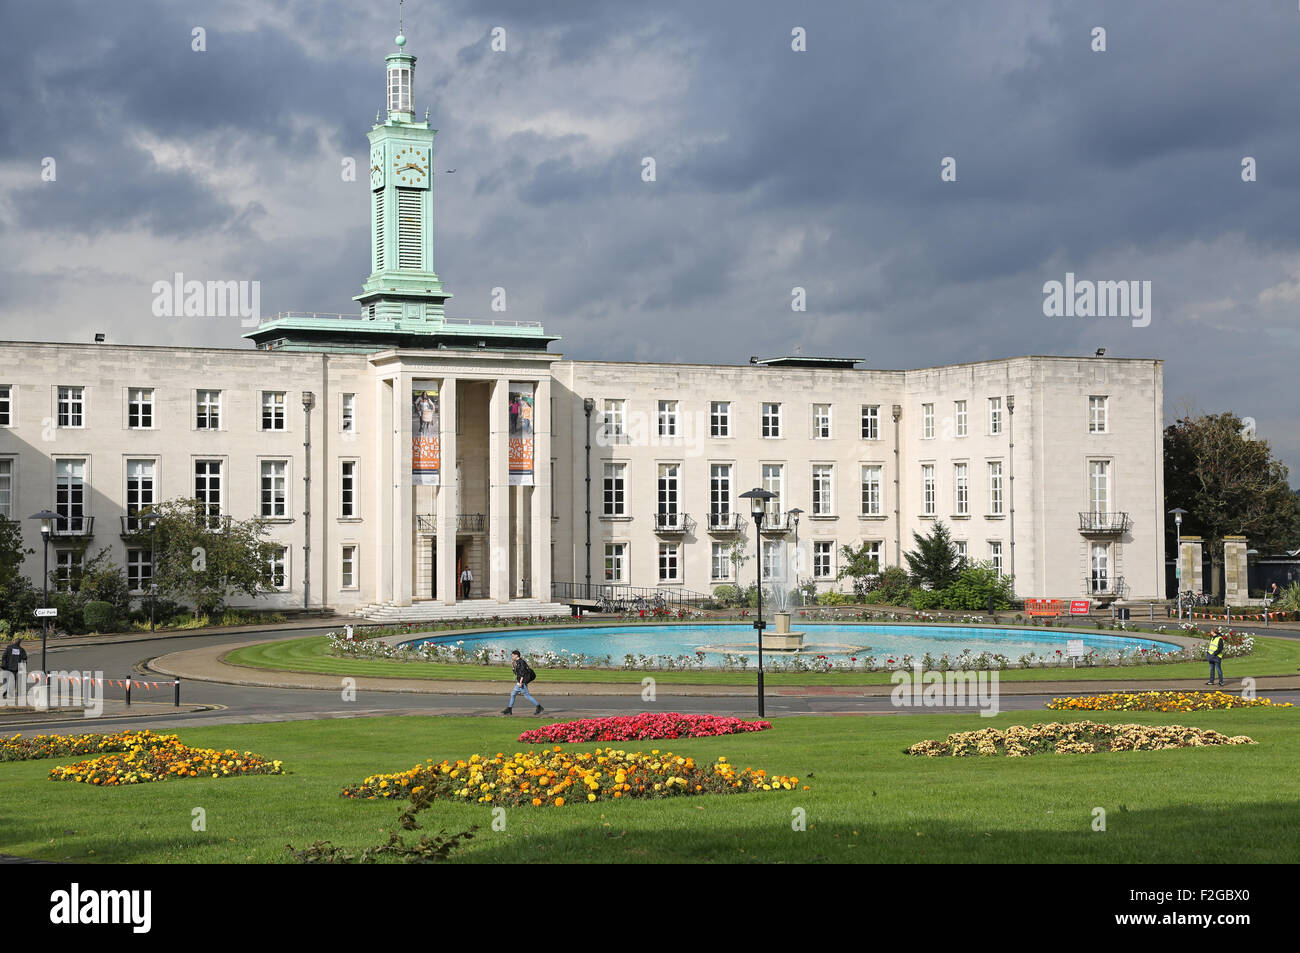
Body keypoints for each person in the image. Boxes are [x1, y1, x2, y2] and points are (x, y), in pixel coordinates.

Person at [501, 649, 542, 716]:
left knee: (527, 696)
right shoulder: (518, 662)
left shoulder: (521, 662)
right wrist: (513, 666)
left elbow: (522, 673)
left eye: (513, 655)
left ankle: (539, 707)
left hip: (522, 682)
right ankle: (509, 709)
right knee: (513, 694)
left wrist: (520, 683)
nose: (512, 657)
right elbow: (516, 673)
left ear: (516, 655)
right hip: (520, 682)